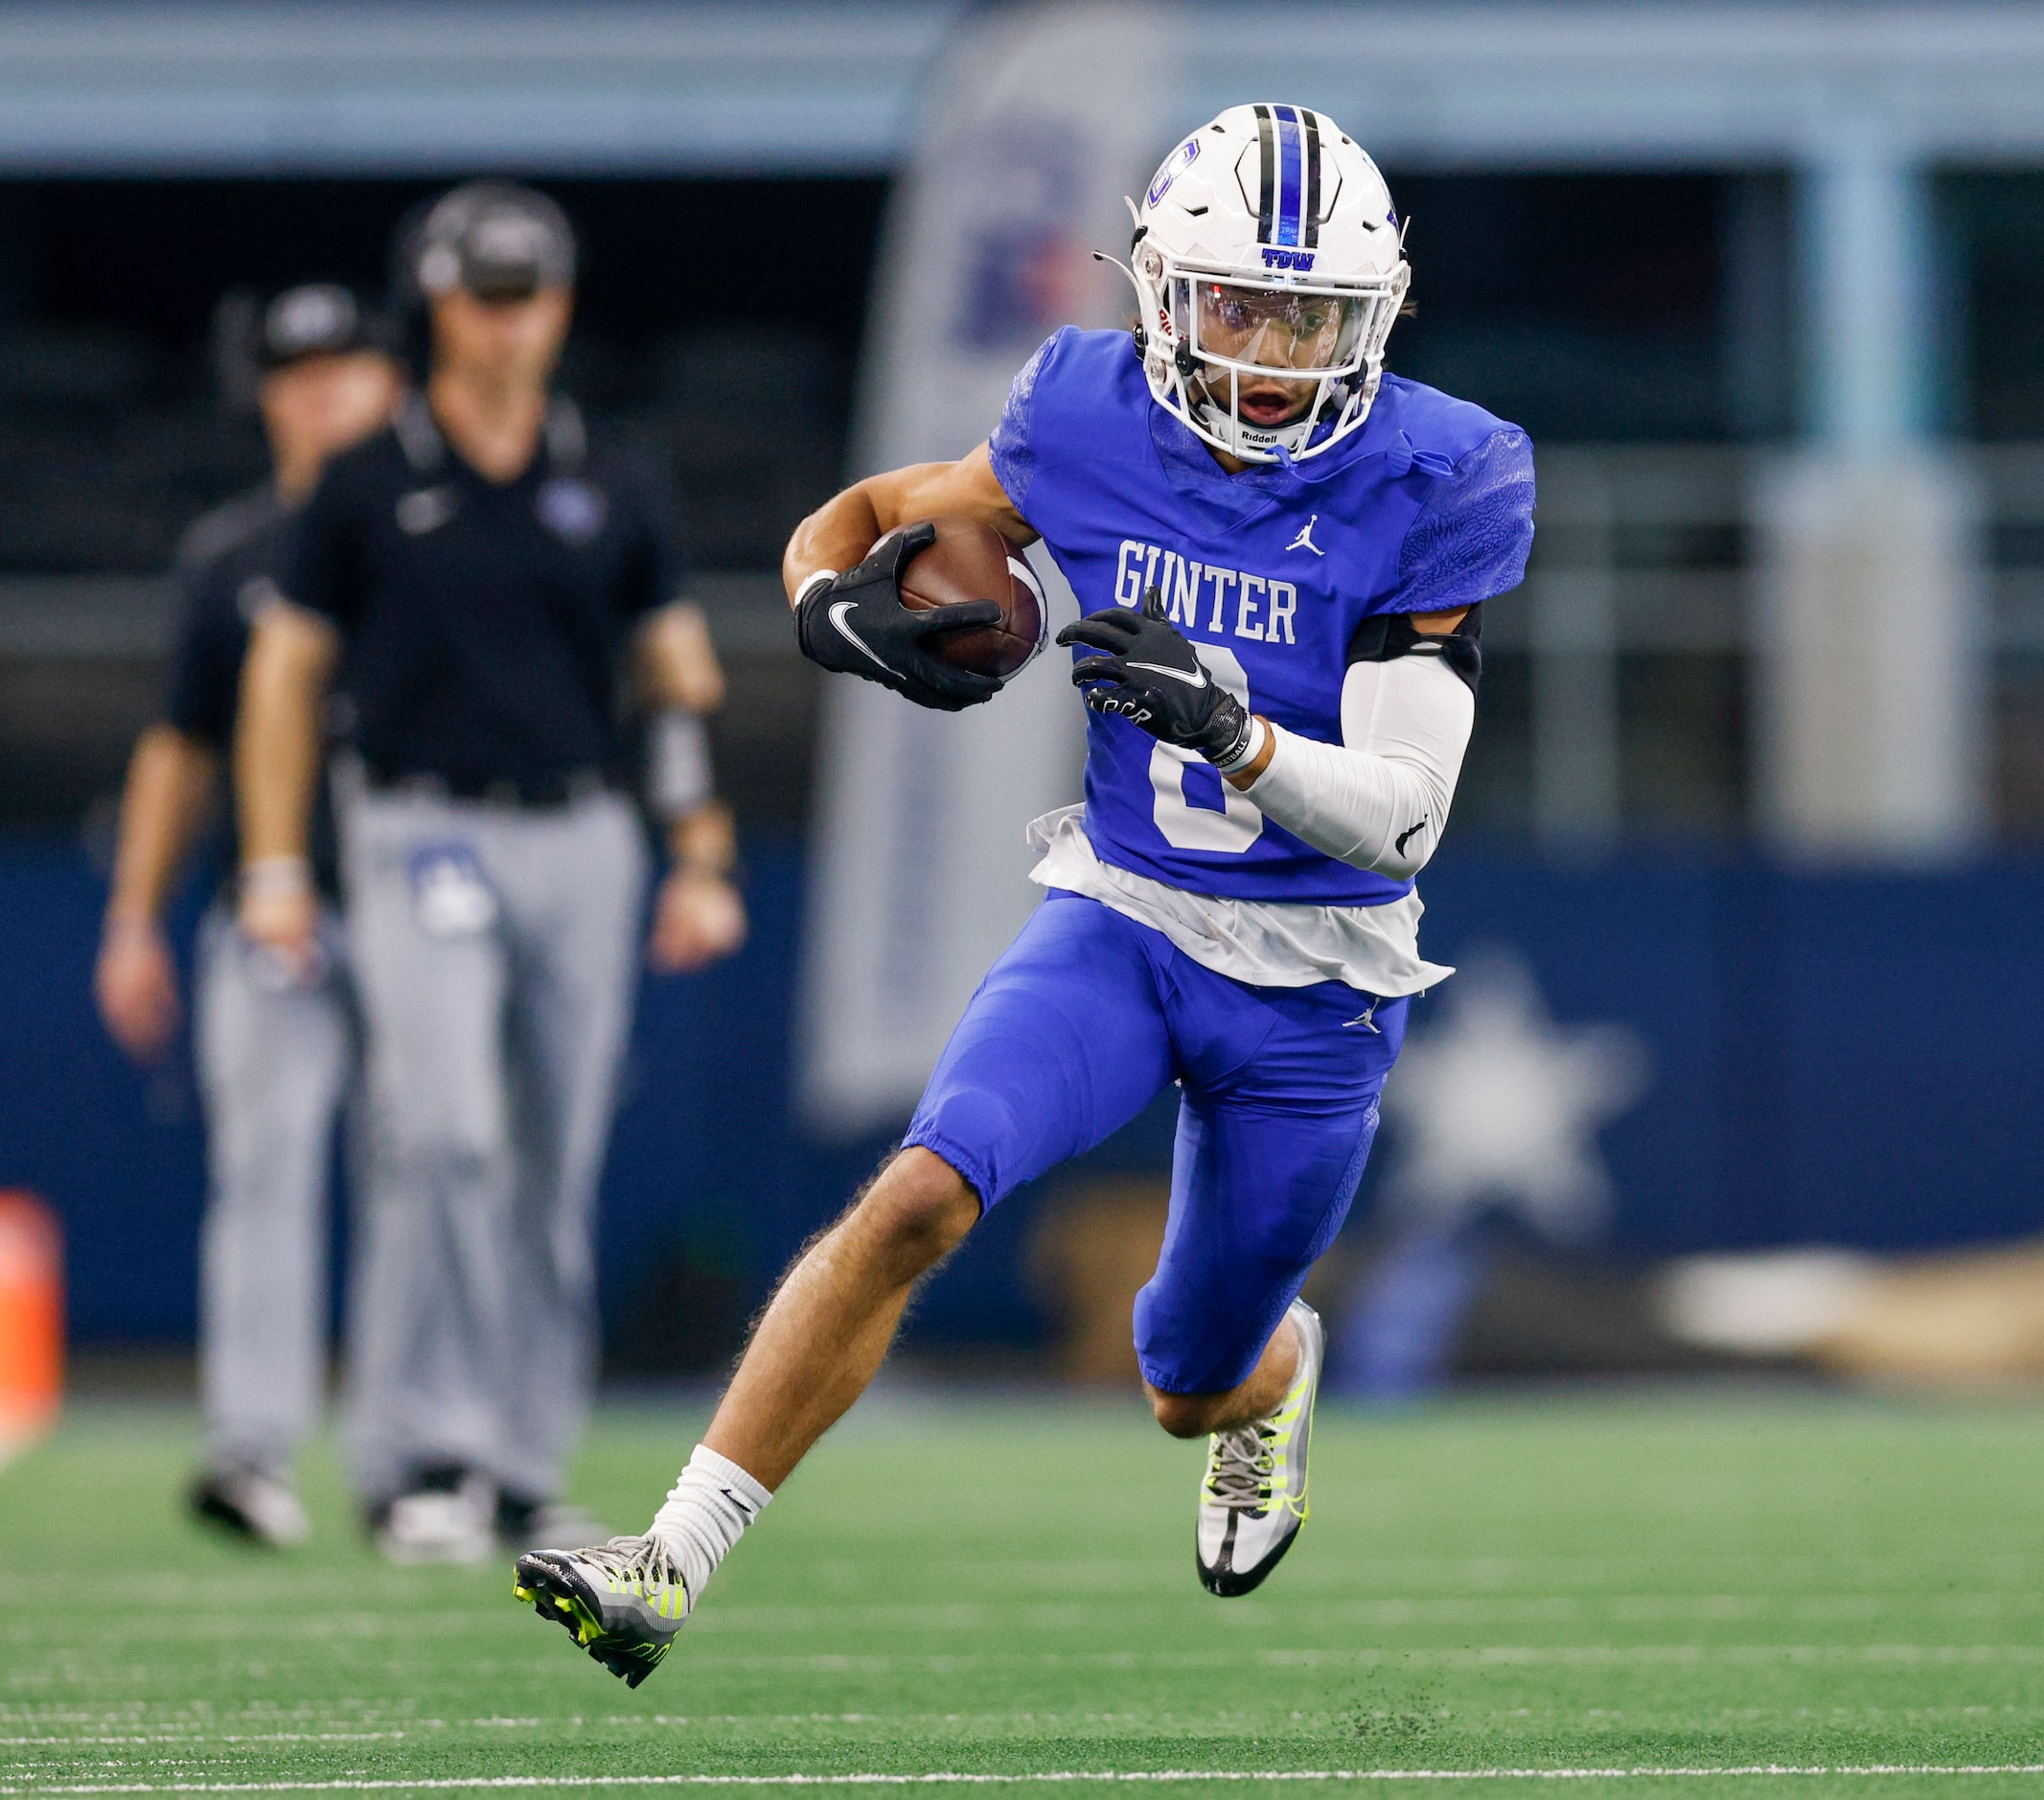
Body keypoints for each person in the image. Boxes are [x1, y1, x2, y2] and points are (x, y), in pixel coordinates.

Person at [515, 104, 1534, 1687]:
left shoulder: (1442, 471)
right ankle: (666, 1559)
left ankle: (1268, 1382)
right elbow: (860, 520)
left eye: (1311, 316)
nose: (1269, 351)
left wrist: (1233, 730)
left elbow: (1402, 825)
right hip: (1123, 917)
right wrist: (827, 612)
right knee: (921, 1188)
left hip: (1320, 980)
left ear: (1374, 321)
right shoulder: (1083, 407)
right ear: (1161, 293)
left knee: (1186, 1379)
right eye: (1238, 304)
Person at [235, 181, 746, 1564]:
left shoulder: (612, 476)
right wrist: (279, 859)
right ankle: (422, 1449)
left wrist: (697, 846)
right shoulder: (364, 481)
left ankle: (522, 1464)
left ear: (561, 304)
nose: (511, 322)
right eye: (485, 293)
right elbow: (284, 676)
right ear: (437, 305)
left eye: (531, 293)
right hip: (420, 824)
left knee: (548, 1164)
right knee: (445, 1130)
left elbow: (675, 675)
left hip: (585, 833)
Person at [94, 283, 401, 1546]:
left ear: (390, 378)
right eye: (296, 367)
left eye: (346, 362)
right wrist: (132, 917)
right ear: (265, 390)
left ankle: (415, 1455)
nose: (322, 385)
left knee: (431, 1175)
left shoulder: (435, 533)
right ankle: (253, 1445)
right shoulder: (232, 553)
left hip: (422, 907)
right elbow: (177, 747)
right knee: (263, 1172)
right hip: (268, 910)